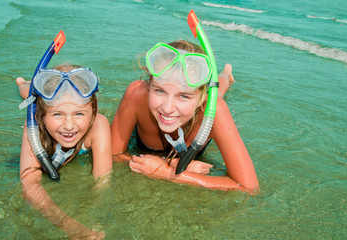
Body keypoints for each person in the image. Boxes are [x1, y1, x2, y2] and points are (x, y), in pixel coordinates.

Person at [111, 40, 259, 193]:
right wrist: (169, 164)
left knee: (219, 92)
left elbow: (249, 187)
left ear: (202, 96)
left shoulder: (214, 110)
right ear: (150, 83)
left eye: (184, 96)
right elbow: (112, 155)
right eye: (160, 91)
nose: (167, 108)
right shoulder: (136, 94)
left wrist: (168, 173)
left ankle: (226, 74)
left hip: (209, 102)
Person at [17, 63, 112, 239]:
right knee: (27, 92)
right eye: (57, 114)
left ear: (93, 111)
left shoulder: (99, 124)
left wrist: (93, 217)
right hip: (36, 98)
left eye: (79, 114)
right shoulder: (33, 126)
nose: (69, 126)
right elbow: (29, 183)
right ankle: (22, 82)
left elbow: (103, 180)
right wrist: (70, 226)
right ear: (41, 115)